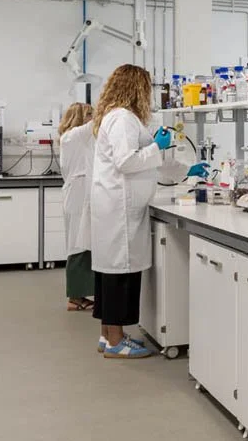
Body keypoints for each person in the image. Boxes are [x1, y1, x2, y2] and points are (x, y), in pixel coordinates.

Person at [89, 64, 210, 359]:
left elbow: (147, 160)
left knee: (111, 271)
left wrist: (185, 168)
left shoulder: (120, 118)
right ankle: (116, 342)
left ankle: (108, 336)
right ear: (137, 88)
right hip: (120, 207)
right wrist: (156, 145)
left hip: (115, 205)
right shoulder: (122, 119)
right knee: (119, 273)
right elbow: (127, 162)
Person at [58, 103, 96, 312]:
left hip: (80, 192)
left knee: (82, 242)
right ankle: (74, 297)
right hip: (78, 194)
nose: (93, 118)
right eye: (90, 114)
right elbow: (97, 125)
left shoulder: (76, 138)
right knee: (77, 244)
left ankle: (79, 294)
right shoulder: (74, 135)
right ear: (80, 118)